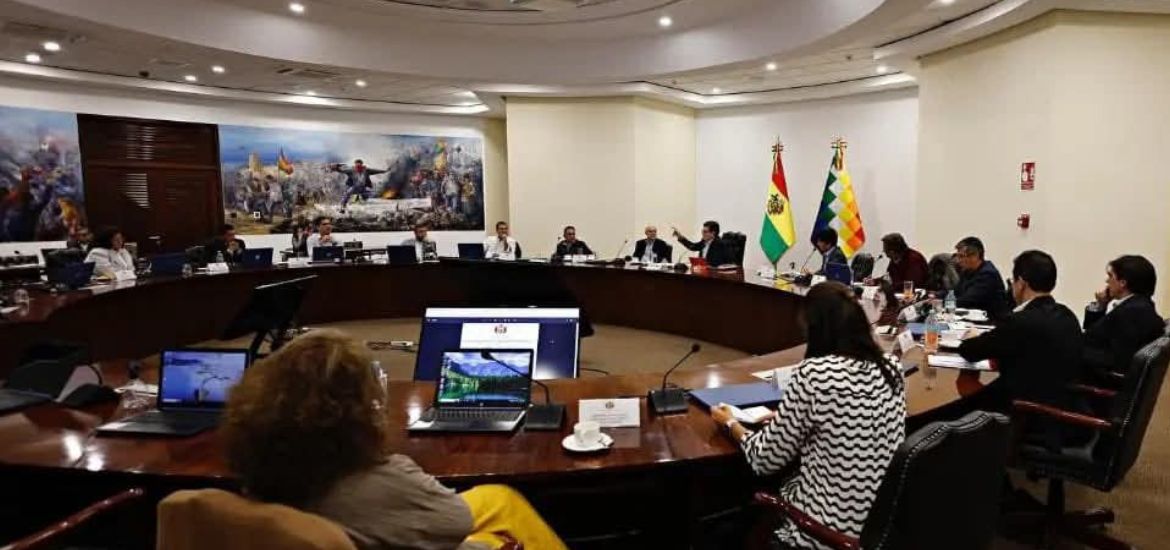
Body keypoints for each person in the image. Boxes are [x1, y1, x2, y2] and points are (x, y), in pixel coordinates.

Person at [222, 330, 567, 550]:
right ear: (356, 407)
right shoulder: (376, 478)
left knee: (498, 497)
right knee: (501, 532)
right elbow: (455, 523)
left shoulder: (259, 469)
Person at [710, 282, 906, 549]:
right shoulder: (891, 367)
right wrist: (790, 418)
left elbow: (765, 459)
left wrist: (730, 423)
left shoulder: (816, 373)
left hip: (825, 533)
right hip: (882, 526)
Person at [958, 251, 1083, 429]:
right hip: (1062, 411)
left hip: (1026, 415)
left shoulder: (1021, 321)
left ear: (1022, 283)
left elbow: (969, 351)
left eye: (1013, 281)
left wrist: (972, 336)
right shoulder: (1067, 315)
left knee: (963, 391)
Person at [1082, 255, 1164, 385]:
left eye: (1110, 276)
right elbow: (1096, 336)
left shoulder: (1133, 313)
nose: (1107, 281)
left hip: (1096, 384)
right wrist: (1101, 305)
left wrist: (1074, 349)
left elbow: (1115, 360)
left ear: (1122, 283)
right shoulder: (1139, 306)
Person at [953, 236, 1008, 319]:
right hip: (972, 318)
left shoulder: (988, 274)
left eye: (961, 256)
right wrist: (935, 295)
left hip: (991, 321)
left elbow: (967, 301)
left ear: (974, 256)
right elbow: (954, 292)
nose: (958, 260)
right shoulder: (967, 271)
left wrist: (941, 302)